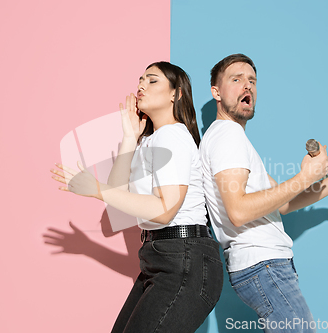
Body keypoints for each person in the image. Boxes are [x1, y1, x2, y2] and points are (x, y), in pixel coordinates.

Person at [199, 54, 328, 333]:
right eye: (236, 79)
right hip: (263, 266)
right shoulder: (228, 136)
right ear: (216, 91)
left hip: (263, 267)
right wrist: (305, 176)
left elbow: (283, 203)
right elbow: (238, 211)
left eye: (252, 81)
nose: (247, 86)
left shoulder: (230, 138)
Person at [51, 61, 223, 333]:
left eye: (152, 80)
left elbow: (165, 210)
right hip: (161, 259)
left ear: (175, 94)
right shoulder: (151, 141)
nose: (141, 85)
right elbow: (118, 203)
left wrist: (97, 188)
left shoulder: (173, 136)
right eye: (140, 79)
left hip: (185, 259)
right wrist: (130, 138)